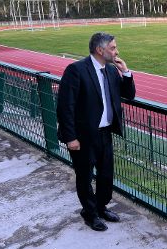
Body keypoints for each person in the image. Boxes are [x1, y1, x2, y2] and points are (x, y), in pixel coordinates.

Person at [57, 32, 136, 231]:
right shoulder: (76, 70)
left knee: (106, 175)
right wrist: (70, 137)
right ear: (100, 50)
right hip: (82, 137)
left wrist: (125, 72)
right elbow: (65, 106)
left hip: (105, 133)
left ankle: (101, 207)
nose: (116, 51)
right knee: (84, 177)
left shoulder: (110, 70)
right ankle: (90, 213)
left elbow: (129, 94)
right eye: (113, 48)